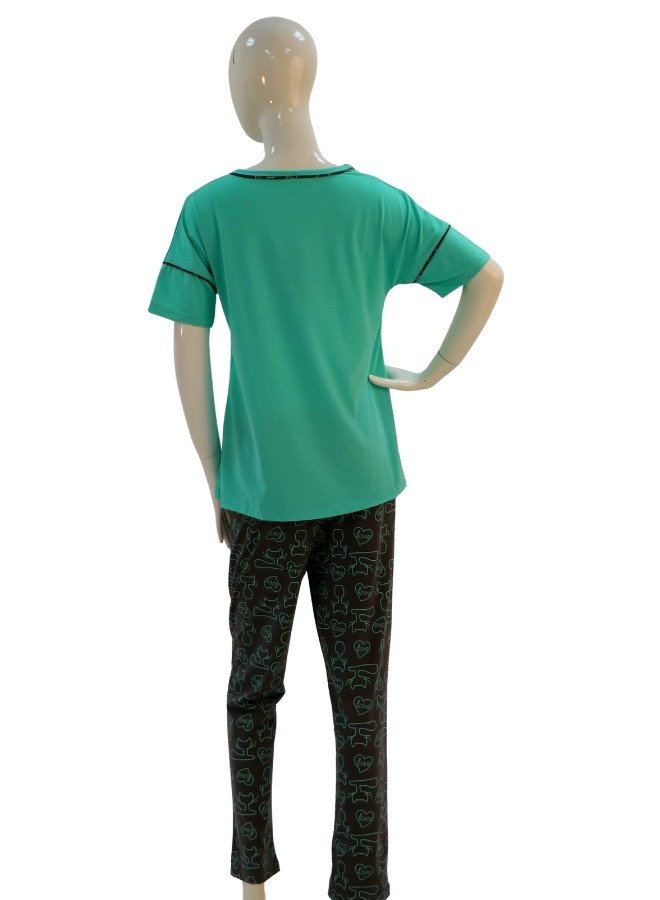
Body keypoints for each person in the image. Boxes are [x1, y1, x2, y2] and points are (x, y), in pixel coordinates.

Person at [147, 16, 504, 900]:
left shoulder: (211, 209)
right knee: (360, 700)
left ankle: (253, 884)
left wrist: (214, 476)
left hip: (261, 495)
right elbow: (485, 275)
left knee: (251, 691)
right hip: (363, 486)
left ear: (251, 88)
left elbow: (188, 349)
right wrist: (432, 371)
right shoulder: (375, 203)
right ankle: (361, 885)